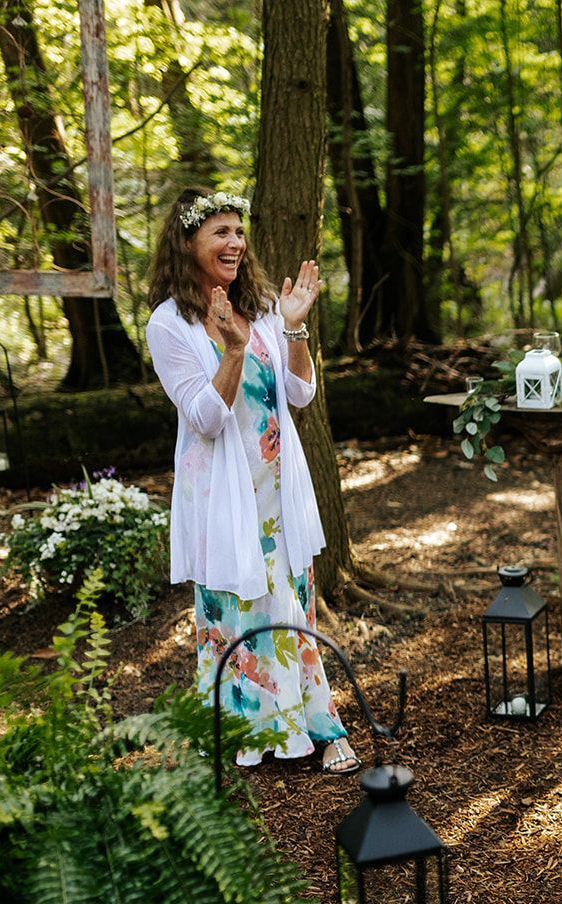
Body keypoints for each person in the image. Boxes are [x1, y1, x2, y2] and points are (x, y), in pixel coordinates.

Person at [147, 188, 357, 774]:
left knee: (289, 599)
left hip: (276, 479)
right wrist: (233, 352)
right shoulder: (169, 325)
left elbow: (300, 394)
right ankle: (243, 730)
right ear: (188, 243)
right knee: (237, 605)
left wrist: (291, 330)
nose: (235, 243)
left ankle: (316, 721)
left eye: (239, 232)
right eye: (220, 232)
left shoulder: (261, 303)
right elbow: (205, 419)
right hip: (221, 487)